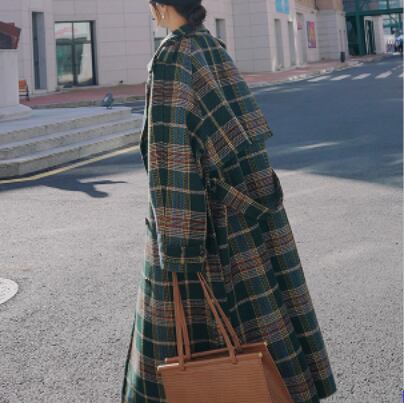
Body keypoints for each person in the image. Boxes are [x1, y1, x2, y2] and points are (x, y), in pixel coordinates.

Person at [122, 1, 338, 402]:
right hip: (243, 211)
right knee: (260, 319)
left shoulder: (171, 57)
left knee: (187, 331)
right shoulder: (211, 46)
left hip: (201, 222)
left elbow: (170, 159)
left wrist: (177, 250)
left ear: (161, 5)